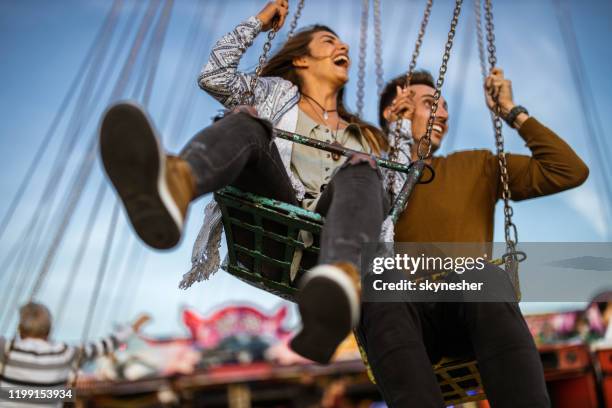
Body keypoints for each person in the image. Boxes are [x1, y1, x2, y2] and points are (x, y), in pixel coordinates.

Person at [99, 0, 389, 364]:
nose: (343, 47)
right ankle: (175, 185)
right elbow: (214, 76)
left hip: (329, 251)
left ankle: (341, 283)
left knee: (364, 170)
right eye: (330, 42)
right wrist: (261, 19)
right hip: (272, 231)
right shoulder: (273, 94)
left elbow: (396, 190)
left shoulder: (364, 136)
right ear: (301, 59)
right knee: (249, 123)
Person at [356, 69, 589, 407]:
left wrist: (511, 110)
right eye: (429, 104)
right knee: (381, 287)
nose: (444, 114)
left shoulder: (477, 165)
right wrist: (393, 136)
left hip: (470, 312)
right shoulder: (371, 173)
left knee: (480, 273)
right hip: (405, 324)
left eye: (445, 105)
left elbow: (568, 170)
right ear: (397, 110)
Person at [0, 302, 149, 407]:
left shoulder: (6, 349)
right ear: (49, 329)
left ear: (20, 329)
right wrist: (132, 327)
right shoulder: (65, 353)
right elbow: (107, 344)